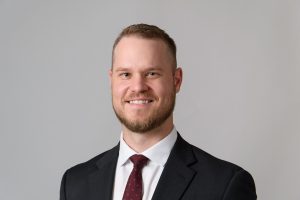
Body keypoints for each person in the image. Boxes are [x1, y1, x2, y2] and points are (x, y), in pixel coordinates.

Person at [60, 23, 257, 200]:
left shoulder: (224, 186)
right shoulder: (75, 184)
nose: (138, 86)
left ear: (176, 80)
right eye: (125, 74)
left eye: (152, 73)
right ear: (111, 81)